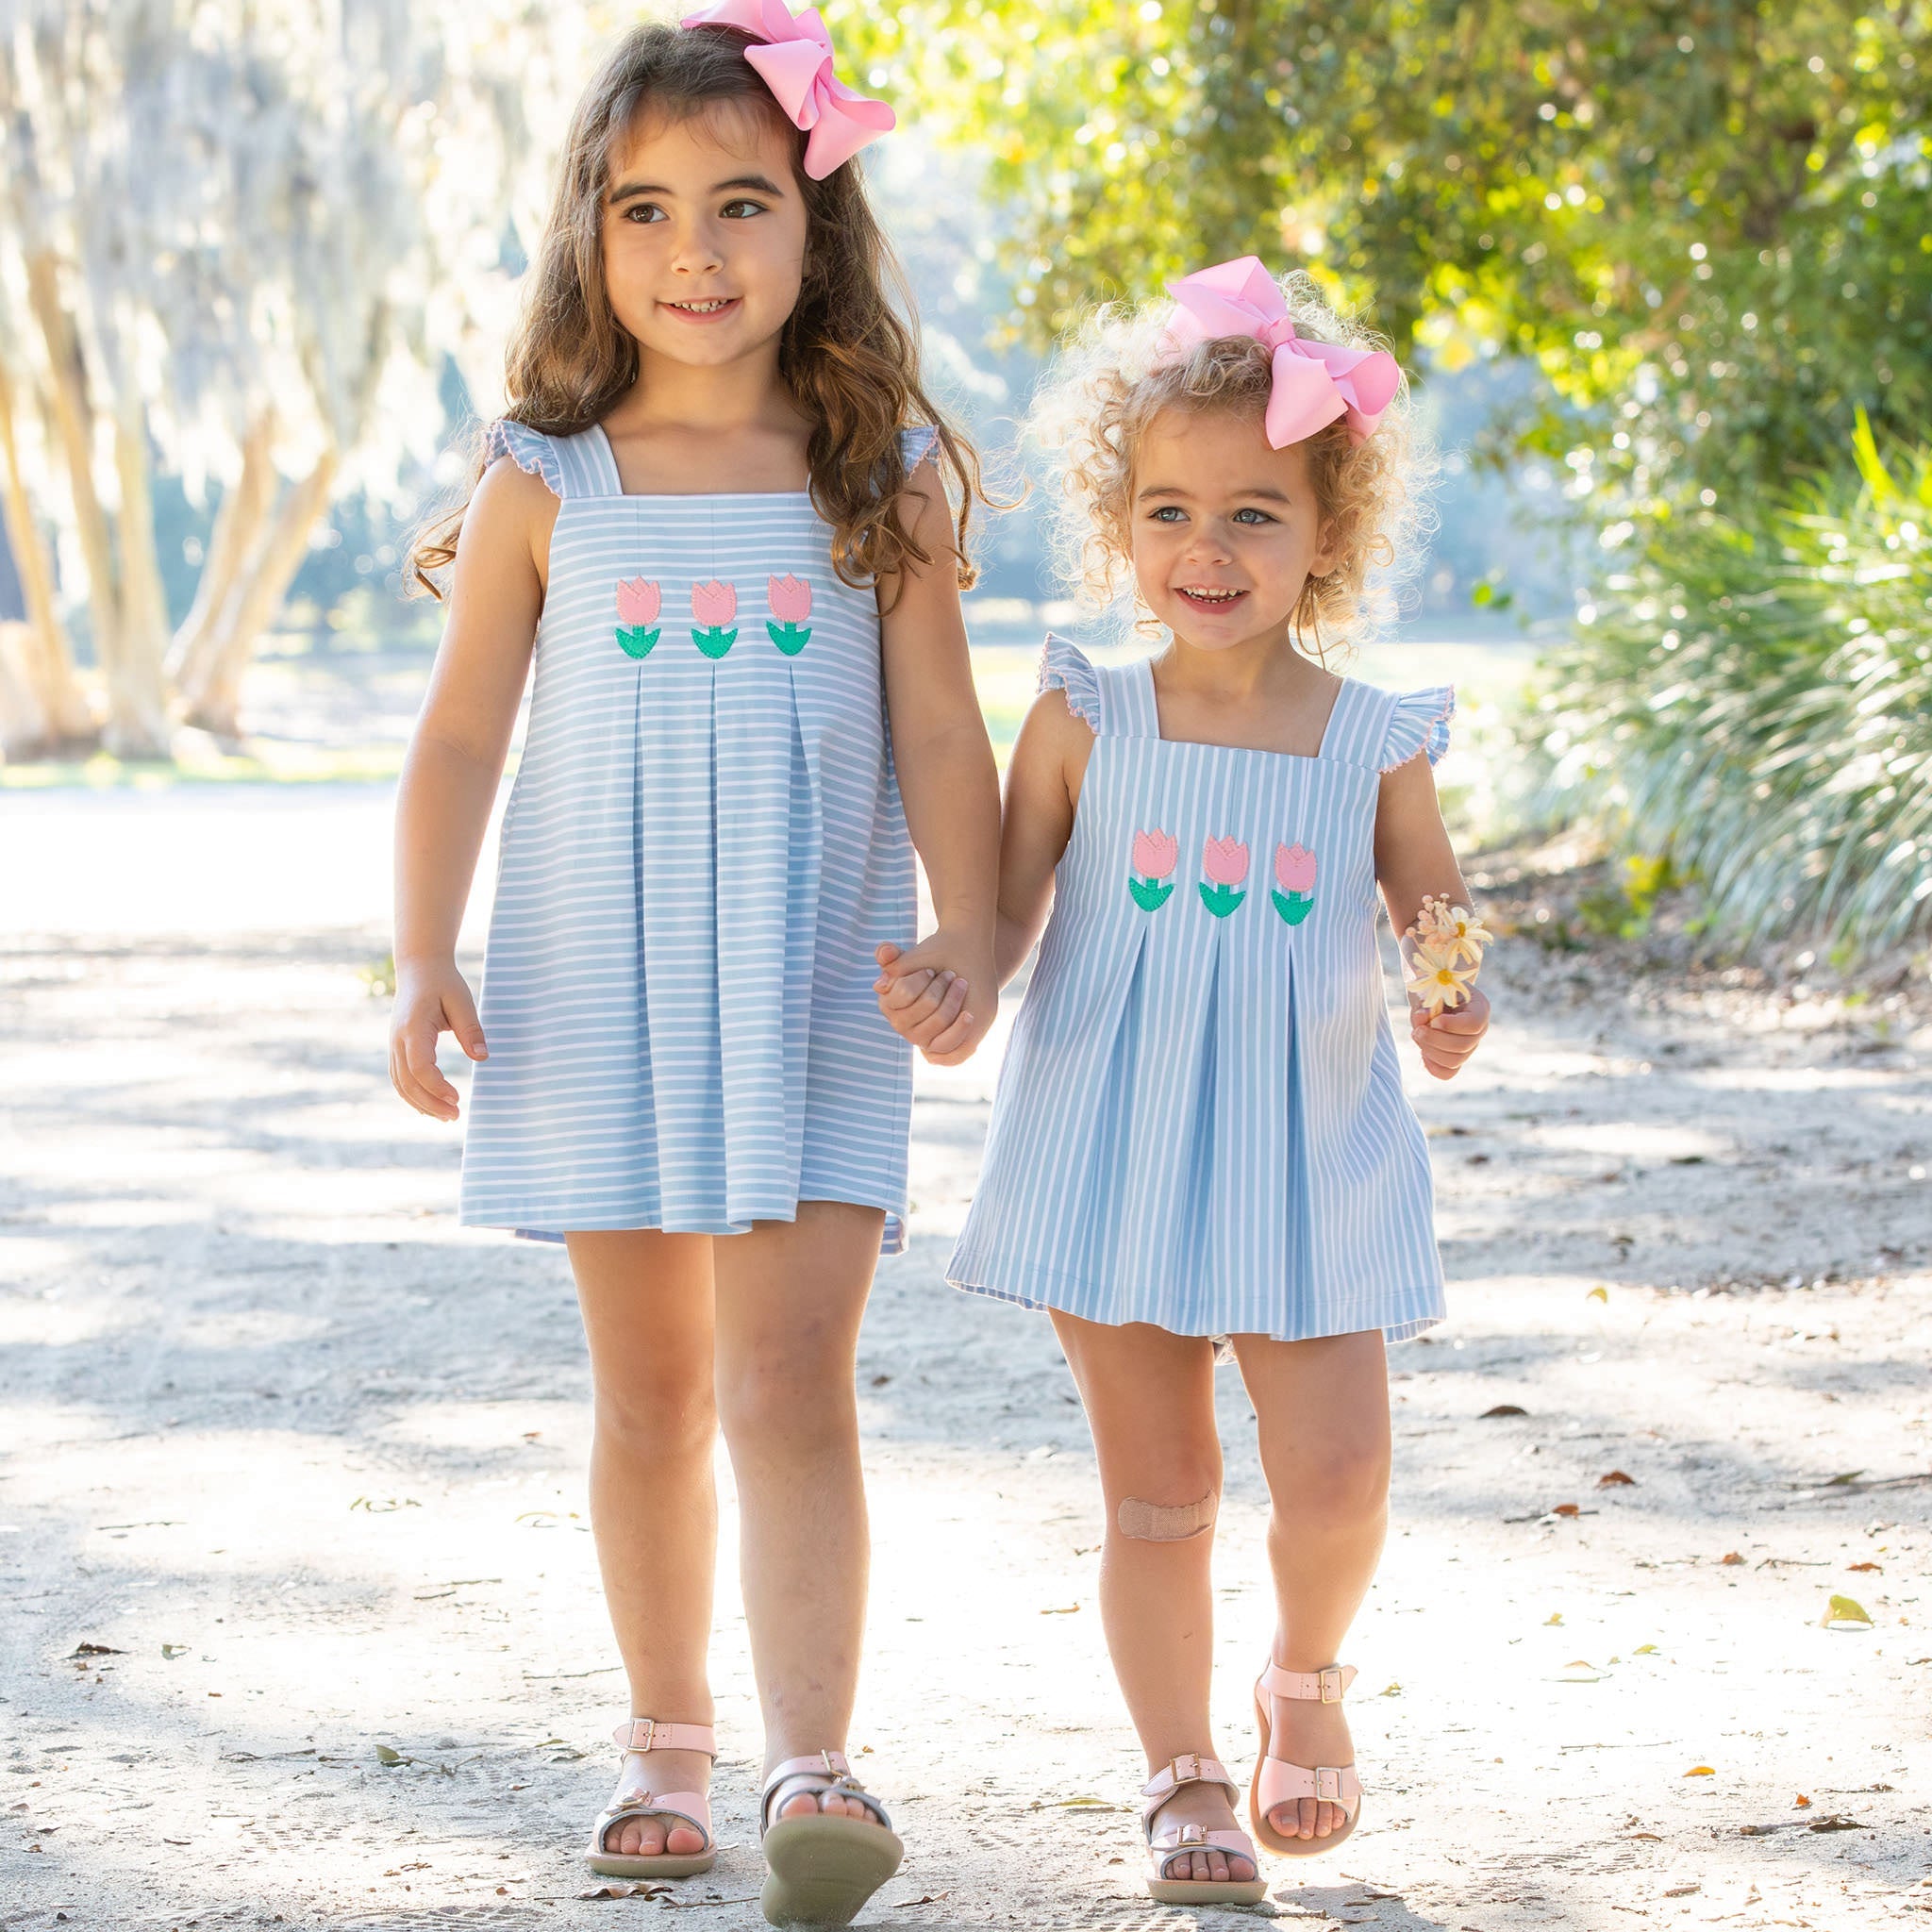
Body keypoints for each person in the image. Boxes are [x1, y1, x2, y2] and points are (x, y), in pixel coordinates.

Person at [389, 8, 999, 1924]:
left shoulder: (876, 476)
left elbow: (943, 734)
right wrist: (421, 952)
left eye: (743, 202)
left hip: (814, 984)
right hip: (601, 989)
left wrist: (974, 927)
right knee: (651, 1393)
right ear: (591, 234)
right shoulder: (546, 479)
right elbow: (461, 739)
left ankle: (813, 1757)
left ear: (819, 229)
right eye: (645, 209)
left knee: (792, 1380)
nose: (695, 252)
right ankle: (665, 1733)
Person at [886, 256, 1490, 1905]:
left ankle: (1303, 1675)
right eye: (1168, 513)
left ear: (1328, 535)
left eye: (1253, 517)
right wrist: (959, 973)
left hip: (1310, 1153)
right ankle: (1185, 1775)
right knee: (1162, 1497)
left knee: (1340, 1480)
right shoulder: (1085, 715)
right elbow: (1007, 911)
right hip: (1117, 1144)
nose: (1205, 551)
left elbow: (1432, 914)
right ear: (1121, 524)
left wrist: (1451, 998)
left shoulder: (1373, 741)